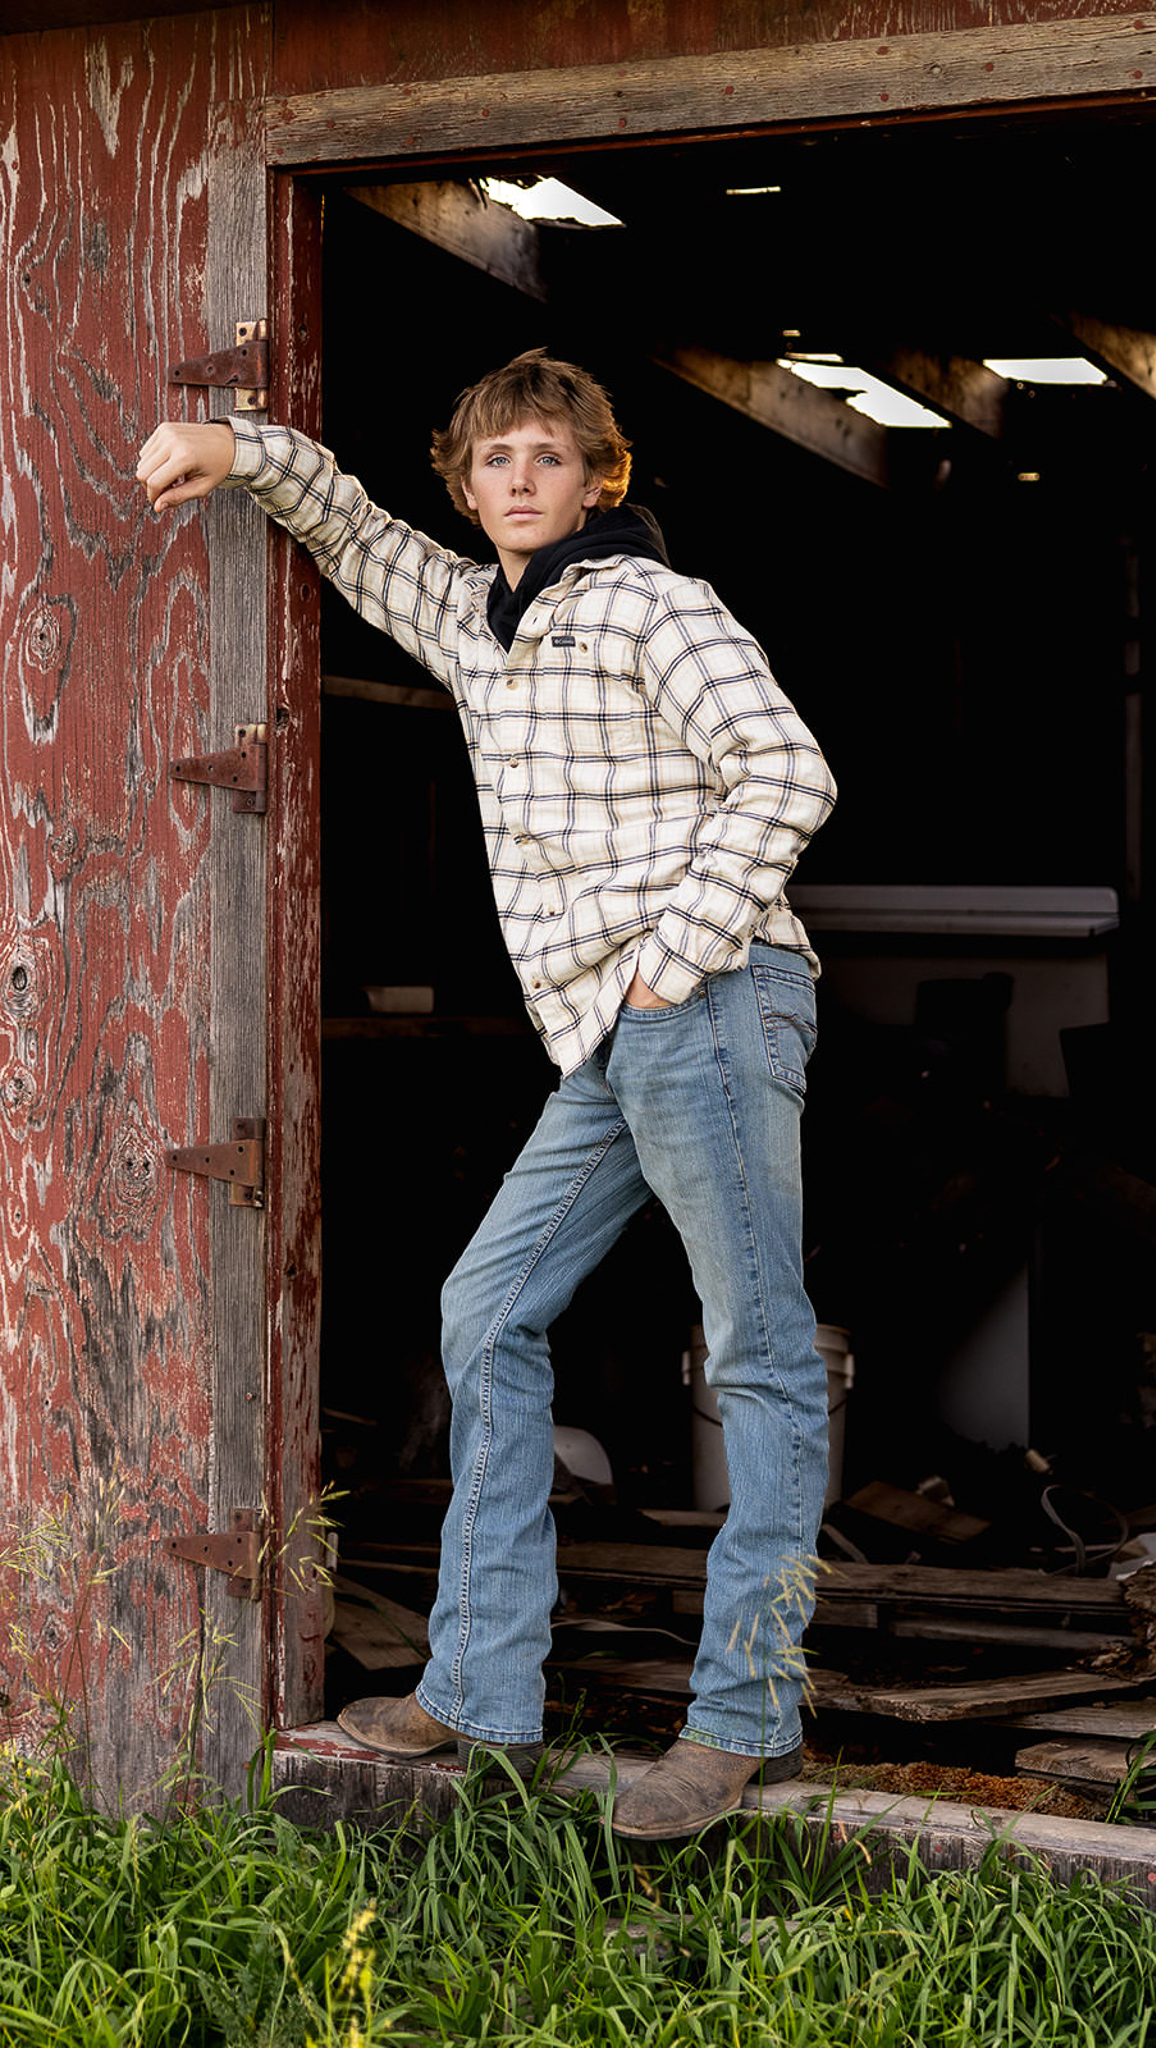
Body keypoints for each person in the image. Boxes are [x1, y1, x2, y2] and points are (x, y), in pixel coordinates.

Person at [137, 349, 836, 1838]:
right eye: (496, 460)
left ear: (598, 479)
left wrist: (671, 963)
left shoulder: (652, 604)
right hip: (608, 1031)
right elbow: (352, 530)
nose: (522, 480)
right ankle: (478, 1684)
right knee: (486, 1308)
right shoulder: (475, 617)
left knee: (759, 1354)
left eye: (549, 458)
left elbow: (787, 772)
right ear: (468, 486)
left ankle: (746, 1718)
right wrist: (237, 447)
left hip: (706, 999)